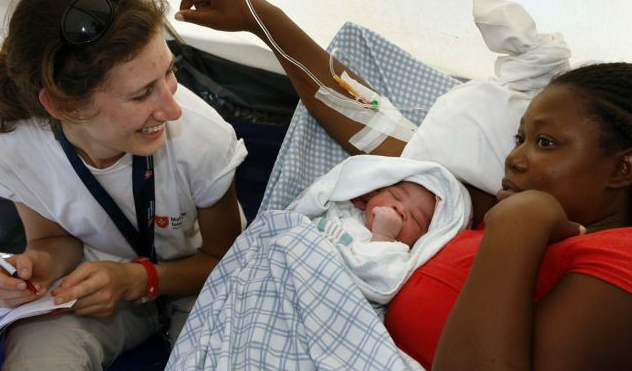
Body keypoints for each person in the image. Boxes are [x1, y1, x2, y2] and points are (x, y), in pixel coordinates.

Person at [175, 1, 632, 370]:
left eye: (546, 142)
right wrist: (262, 18)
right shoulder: (460, 208)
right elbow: (364, 121)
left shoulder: (611, 255)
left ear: (621, 170)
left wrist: (521, 225)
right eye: (519, 138)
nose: (514, 157)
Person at [0, 0, 247, 369]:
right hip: (92, 285)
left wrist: (142, 280)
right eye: (141, 94)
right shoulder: (15, 146)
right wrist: (37, 268)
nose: (172, 108)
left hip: (202, 282)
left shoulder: (201, 138)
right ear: (62, 106)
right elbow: (53, 239)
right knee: (39, 356)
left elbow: (230, 262)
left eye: (169, 71)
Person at [351, 181, 437, 247]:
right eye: (396, 196)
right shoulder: (346, 209)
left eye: (415, 218)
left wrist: (383, 237)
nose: (400, 209)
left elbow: (375, 268)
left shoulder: (397, 255)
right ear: (373, 194)